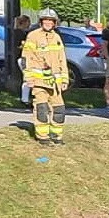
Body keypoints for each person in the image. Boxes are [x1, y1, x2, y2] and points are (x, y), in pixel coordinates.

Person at [23, 8, 69, 144]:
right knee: (42, 108)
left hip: (56, 83)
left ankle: (56, 135)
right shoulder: (33, 36)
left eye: (51, 20)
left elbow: (62, 59)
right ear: (41, 21)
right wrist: (29, 78)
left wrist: (65, 78)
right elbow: (27, 58)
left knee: (59, 109)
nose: (48, 23)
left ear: (55, 23)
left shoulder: (56, 37)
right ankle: (42, 136)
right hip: (39, 81)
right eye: (46, 20)